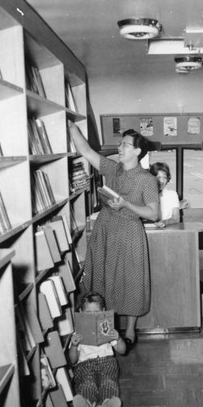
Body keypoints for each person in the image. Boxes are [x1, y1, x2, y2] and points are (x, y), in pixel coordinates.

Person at [68, 122, 160, 349]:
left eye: (125, 145)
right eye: (120, 144)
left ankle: (129, 331)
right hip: (106, 228)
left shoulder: (147, 179)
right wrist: (71, 126)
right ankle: (103, 331)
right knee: (102, 278)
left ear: (137, 151)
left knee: (130, 280)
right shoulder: (112, 168)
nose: (120, 147)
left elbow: (154, 213)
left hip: (129, 231)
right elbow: (86, 151)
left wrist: (126, 204)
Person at [69, 292, 126, 407]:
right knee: (87, 383)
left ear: (103, 312)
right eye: (88, 312)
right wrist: (73, 346)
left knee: (108, 382)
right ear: (81, 312)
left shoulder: (107, 329)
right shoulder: (77, 333)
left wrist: (119, 338)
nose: (93, 315)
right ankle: (87, 403)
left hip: (107, 362)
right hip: (85, 364)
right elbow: (72, 360)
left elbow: (122, 350)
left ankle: (107, 403)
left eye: (96, 312)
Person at [149, 162, 180, 228]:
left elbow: (176, 218)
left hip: (166, 232)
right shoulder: (144, 194)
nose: (162, 181)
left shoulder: (172, 195)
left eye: (165, 178)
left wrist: (164, 222)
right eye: (158, 177)